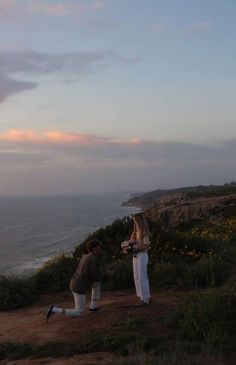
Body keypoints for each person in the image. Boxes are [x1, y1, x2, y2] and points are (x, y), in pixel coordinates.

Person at [46, 239, 103, 320]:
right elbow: (95, 276)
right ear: (94, 248)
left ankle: (93, 307)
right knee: (79, 312)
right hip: (79, 287)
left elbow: (93, 276)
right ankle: (54, 309)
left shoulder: (86, 256)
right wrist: (105, 275)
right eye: (99, 247)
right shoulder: (93, 259)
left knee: (97, 283)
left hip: (75, 283)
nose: (100, 248)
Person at [130, 213, 151, 306]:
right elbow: (132, 240)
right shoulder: (137, 231)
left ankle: (145, 298)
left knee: (142, 276)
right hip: (136, 255)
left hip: (142, 255)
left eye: (135, 220)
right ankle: (140, 296)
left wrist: (138, 249)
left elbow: (146, 245)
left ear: (139, 221)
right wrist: (134, 230)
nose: (134, 222)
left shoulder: (144, 232)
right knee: (136, 276)